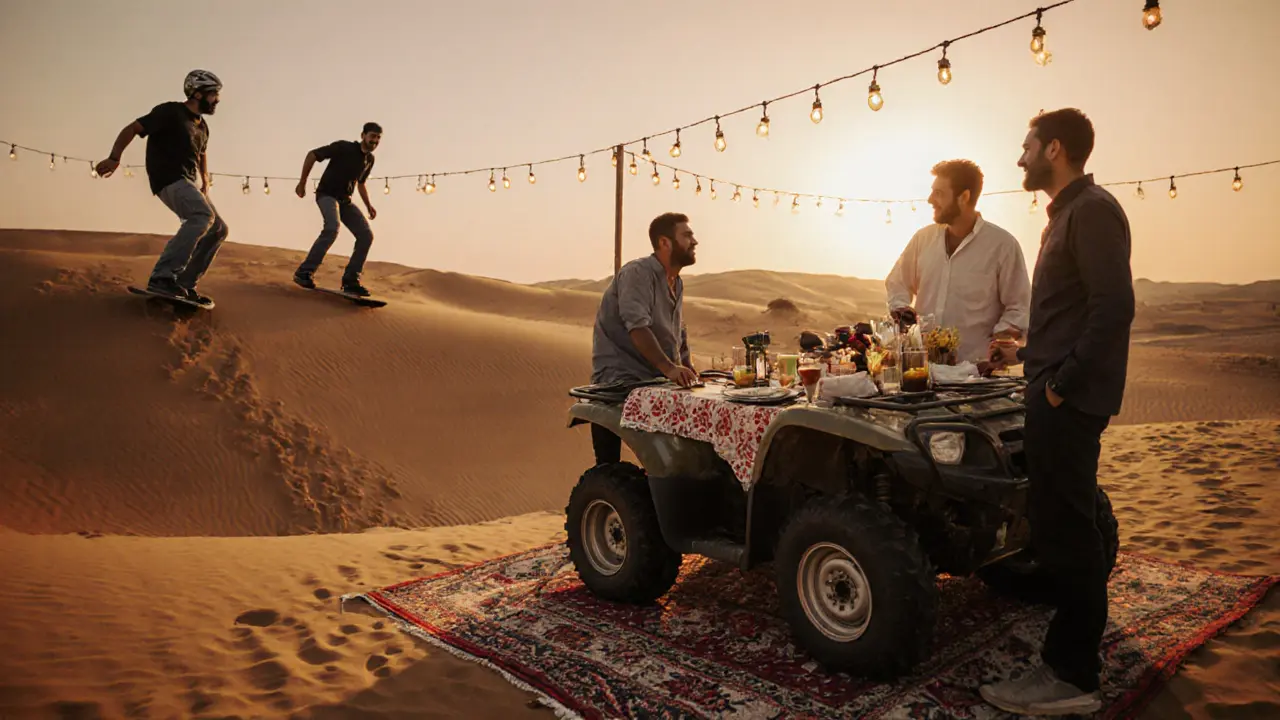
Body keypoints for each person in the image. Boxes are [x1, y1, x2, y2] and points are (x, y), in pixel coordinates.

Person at [982, 108, 1135, 717]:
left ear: (1055, 149)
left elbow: (1113, 309)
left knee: (1068, 530)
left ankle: (1070, 676)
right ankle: (1069, 635)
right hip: (1052, 386)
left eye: (1026, 147)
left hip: (1067, 402)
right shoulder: (1067, 214)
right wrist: (1029, 357)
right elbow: (1074, 315)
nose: (1019, 158)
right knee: (1058, 523)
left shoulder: (1092, 212)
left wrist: (1060, 386)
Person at [95, 70, 227, 306]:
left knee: (218, 229)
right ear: (197, 94)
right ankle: (162, 276)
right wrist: (114, 158)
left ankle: (185, 284)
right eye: (213, 95)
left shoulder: (202, 126)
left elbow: (202, 153)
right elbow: (133, 128)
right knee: (201, 216)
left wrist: (205, 181)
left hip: (189, 181)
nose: (217, 100)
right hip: (168, 178)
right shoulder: (170, 111)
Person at [885, 159, 1031, 364]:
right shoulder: (922, 239)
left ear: (964, 197)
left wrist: (998, 344)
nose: (930, 199)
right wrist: (902, 312)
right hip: (922, 370)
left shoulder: (1003, 246)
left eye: (939, 193)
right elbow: (897, 282)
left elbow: (1019, 306)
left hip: (974, 376)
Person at [588, 212, 699, 465]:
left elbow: (676, 333)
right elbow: (637, 327)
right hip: (621, 379)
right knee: (611, 470)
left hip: (656, 379)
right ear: (664, 242)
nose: (694, 241)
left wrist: (687, 367)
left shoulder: (676, 282)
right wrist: (669, 368)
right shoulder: (638, 273)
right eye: (687, 235)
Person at [293, 123, 381, 297]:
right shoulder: (344, 147)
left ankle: (351, 281)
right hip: (327, 194)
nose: (375, 141)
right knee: (332, 228)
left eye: (378, 138)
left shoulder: (369, 159)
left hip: (345, 201)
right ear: (363, 135)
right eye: (372, 136)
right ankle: (304, 272)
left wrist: (368, 205)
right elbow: (312, 155)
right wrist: (302, 182)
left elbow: (361, 183)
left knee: (366, 235)